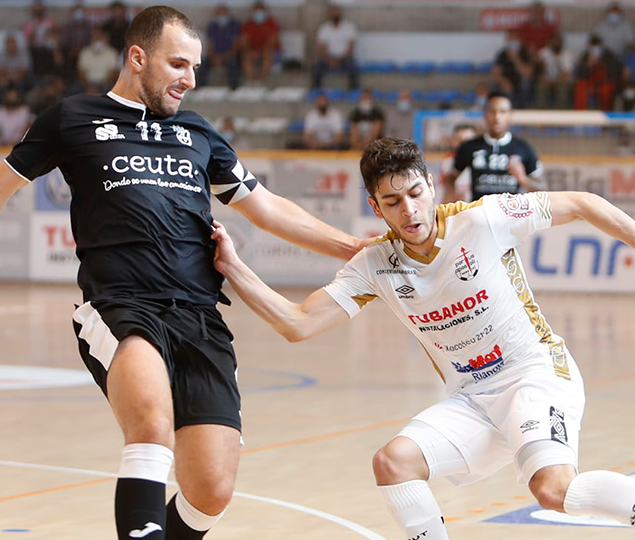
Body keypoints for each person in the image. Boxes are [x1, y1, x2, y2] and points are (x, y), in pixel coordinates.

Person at [0, 7, 366, 539]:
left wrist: (353, 245)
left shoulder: (198, 133)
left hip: (199, 315)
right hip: (121, 306)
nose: (189, 79)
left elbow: (268, 208)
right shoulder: (72, 119)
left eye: (195, 67)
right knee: (151, 424)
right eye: (177, 64)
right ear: (137, 57)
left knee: (211, 488)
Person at [211, 137, 635, 539]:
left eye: (416, 193)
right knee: (393, 463)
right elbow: (297, 323)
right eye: (393, 202)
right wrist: (233, 267)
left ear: (432, 185)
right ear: (375, 207)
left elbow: (583, 203)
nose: (410, 210)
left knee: (554, 491)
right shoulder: (374, 264)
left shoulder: (483, 219)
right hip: (473, 396)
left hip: (535, 374)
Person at [443, 90, 544, 203]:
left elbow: (542, 189)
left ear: (510, 115)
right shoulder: (469, 147)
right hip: (478, 215)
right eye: (492, 111)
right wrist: (450, 203)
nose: (497, 117)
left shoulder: (524, 148)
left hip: (511, 217)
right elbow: (451, 179)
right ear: (485, 113)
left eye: (503, 112)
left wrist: (523, 179)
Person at [312, 5, 359, 91]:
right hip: (328, 57)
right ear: (329, 14)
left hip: (344, 57)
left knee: (353, 68)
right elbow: (321, 48)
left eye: (337, 12)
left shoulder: (348, 27)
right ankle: (317, 92)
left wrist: (339, 59)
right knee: (316, 68)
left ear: (341, 13)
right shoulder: (324, 28)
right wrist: (328, 59)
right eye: (333, 12)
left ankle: (353, 92)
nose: (335, 14)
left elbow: (351, 48)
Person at [202, 3, 241, 89]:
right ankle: (199, 88)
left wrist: (225, 56)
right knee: (203, 62)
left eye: (223, 13)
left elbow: (236, 44)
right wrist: (213, 56)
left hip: (229, 54)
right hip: (215, 55)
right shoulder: (212, 26)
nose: (221, 16)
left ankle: (234, 88)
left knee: (233, 63)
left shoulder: (234, 25)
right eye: (219, 13)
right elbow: (210, 44)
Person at [240, 1, 280, 84]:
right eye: (256, 11)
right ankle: (251, 81)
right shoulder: (248, 24)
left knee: (267, 54)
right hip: (253, 50)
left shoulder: (271, 23)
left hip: (268, 50)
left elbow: (272, 41)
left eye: (260, 11)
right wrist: (252, 51)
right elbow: (245, 41)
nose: (258, 13)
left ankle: (262, 81)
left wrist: (260, 52)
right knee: (246, 55)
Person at [492, 30, 535, 108]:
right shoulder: (502, 54)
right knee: (497, 86)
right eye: (510, 39)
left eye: (514, 39)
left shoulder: (525, 52)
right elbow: (496, 72)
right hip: (507, 82)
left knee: (526, 84)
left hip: (521, 82)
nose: (512, 41)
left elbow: (528, 73)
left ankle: (524, 109)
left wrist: (515, 59)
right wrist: (504, 81)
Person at [438, 123, 476, 204]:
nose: (464, 145)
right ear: (453, 141)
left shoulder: (479, 161)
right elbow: (443, 189)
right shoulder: (448, 161)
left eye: (468, 141)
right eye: (459, 140)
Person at [534, 34, 574, 109]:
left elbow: (566, 74)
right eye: (554, 41)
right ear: (549, 42)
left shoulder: (567, 54)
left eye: (558, 41)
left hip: (562, 81)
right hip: (547, 80)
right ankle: (541, 112)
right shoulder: (543, 52)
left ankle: (560, 112)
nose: (556, 43)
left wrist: (554, 81)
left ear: (562, 43)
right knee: (541, 85)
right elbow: (539, 70)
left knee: (562, 86)